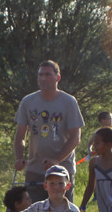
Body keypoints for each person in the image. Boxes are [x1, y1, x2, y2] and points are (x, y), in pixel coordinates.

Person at [14, 60, 85, 202]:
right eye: (40, 75)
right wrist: (19, 158)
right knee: (34, 211)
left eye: (47, 75)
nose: (43, 78)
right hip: (35, 169)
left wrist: (57, 160)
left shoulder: (69, 102)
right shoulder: (28, 102)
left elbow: (75, 137)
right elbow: (20, 135)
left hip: (62, 169)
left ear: (58, 78)